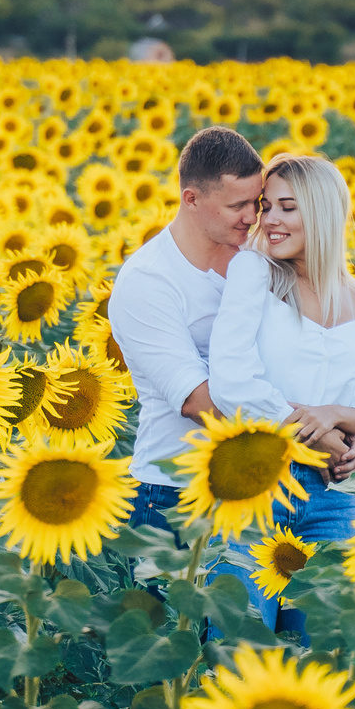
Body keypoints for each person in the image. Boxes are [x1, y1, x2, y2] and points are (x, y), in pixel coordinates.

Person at [205, 153, 355, 637]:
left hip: (334, 500)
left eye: (287, 208)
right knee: (237, 650)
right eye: (267, 207)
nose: (268, 220)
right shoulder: (256, 273)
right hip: (255, 486)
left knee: (319, 653)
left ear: (323, 211)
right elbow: (232, 381)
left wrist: (343, 421)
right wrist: (326, 437)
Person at [104, 126, 267, 528]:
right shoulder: (149, 280)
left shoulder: (259, 258)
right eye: (237, 206)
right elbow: (198, 403)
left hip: (258, 481)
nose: (252, 217)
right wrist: (308, 435)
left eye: (257, 203)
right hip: (173, 492)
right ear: (191, 199)